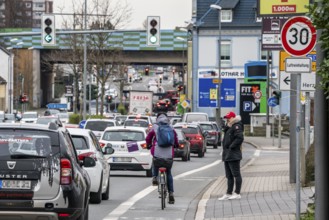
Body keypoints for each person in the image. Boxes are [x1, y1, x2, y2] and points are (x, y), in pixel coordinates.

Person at [146, 112, 179, 204]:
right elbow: (175, 139)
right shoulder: (171, 127)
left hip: (157, 152)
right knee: (168, 172)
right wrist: (176, 146)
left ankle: (155, 177)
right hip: (169, 154)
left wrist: (148, 145)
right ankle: (171, 193)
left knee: (155, 162)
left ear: (157, 118)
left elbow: (148, 138)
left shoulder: (155, 127)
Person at [218, 111, 244, 200]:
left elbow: (240, 138)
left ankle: (237, 193)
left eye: (229, 118)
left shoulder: (237, 126)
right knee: (229, 175)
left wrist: (231, 147)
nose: (227, 119)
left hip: (233, 154)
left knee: (236, 174)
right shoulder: (230, 127)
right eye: (226, 118)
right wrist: (225, 127)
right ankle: (229, 193)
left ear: (233, 118)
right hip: (227, 154)